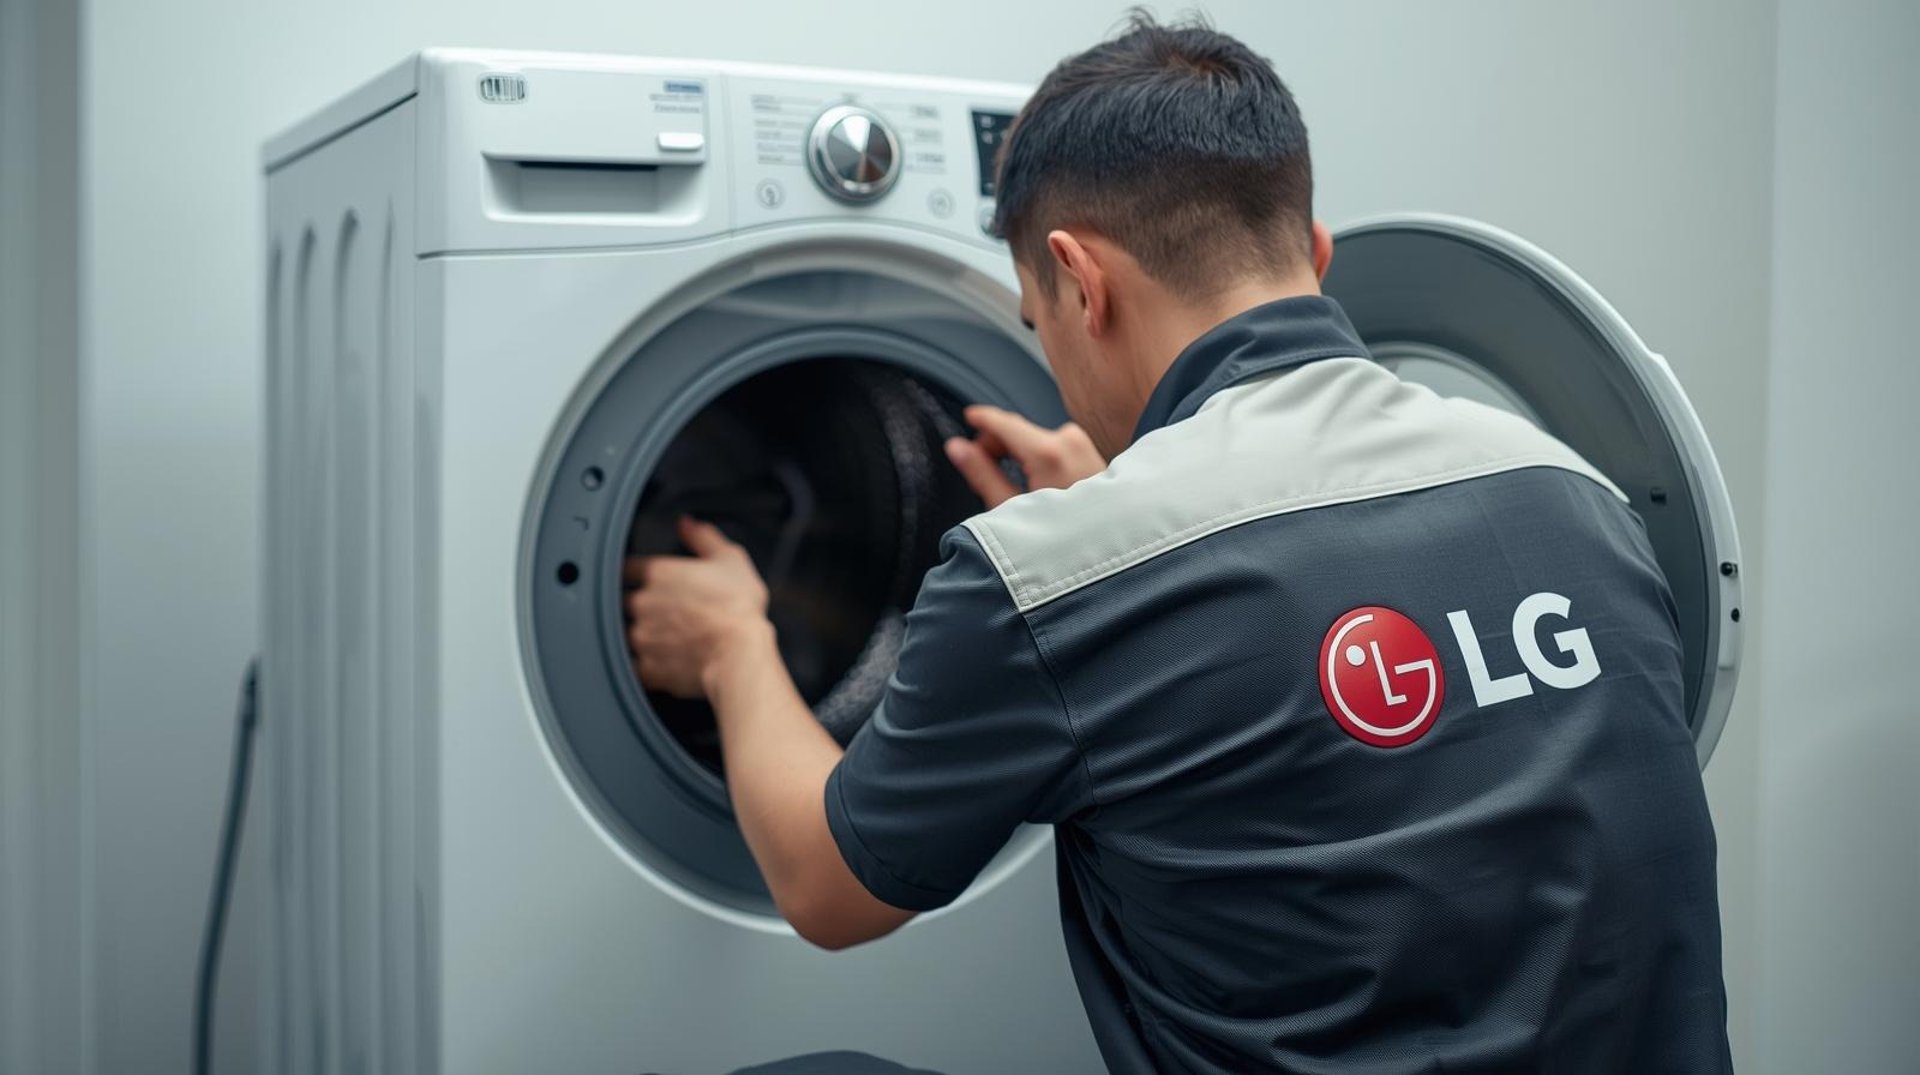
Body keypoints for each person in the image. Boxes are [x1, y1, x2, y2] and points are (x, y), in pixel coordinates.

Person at [625, 13, 1730, 1074]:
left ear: (1081, 279)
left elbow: (826, 888)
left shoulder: (1050, 579)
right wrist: (1117, 507)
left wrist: (733, 640)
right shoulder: (1570, 487)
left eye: (1035, 319)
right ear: (1317, 250)